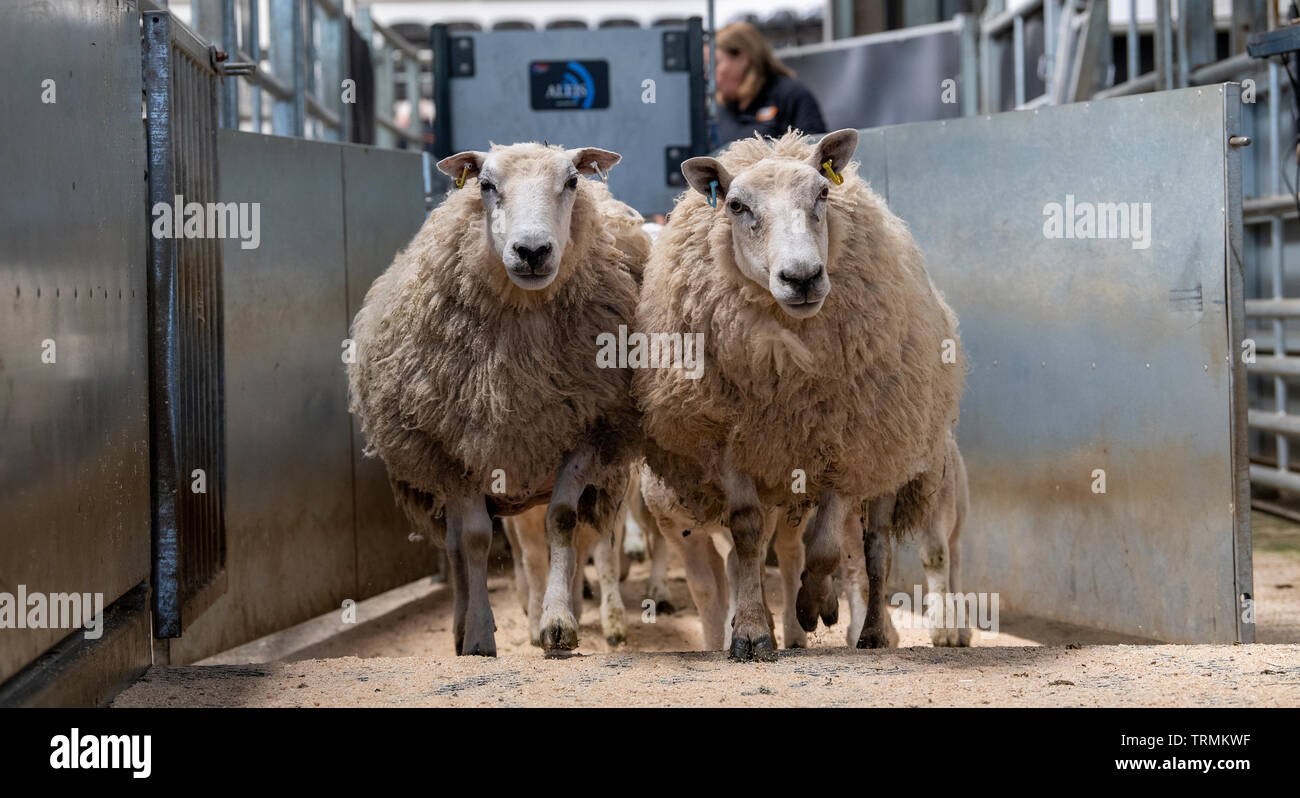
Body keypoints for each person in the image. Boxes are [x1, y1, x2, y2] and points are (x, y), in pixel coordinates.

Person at [711, 21, 827, 147]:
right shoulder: (718, 110)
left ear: (742, 58)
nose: (708, 75)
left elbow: (818, 152)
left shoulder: (791, 96)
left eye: (715, 64)